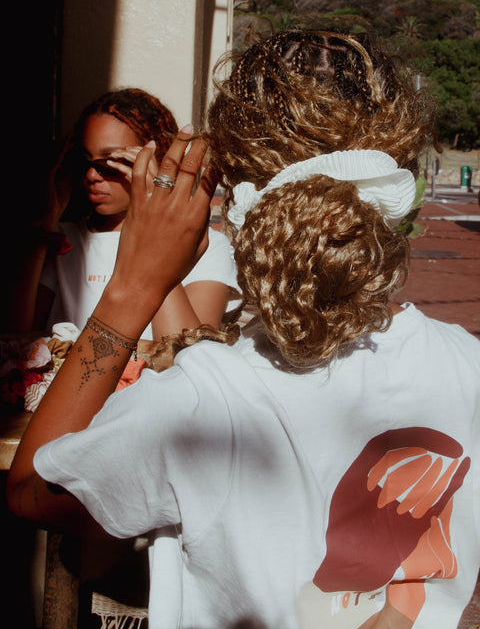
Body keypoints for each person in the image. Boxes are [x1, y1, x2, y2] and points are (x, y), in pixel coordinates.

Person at [7, 31, 480, 629]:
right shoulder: (467, 365)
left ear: (227, 187)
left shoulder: (201, 402)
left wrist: (134, 286)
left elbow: (31, 489)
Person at [8, 88, 239, 340]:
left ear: (158, 159)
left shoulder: (205, 246)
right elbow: (16, 339)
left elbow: (187, 354)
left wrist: (154, 214)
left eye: (110, 164)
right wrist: (46, 224)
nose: (92, 176)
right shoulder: (63, 241)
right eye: (86, 161)